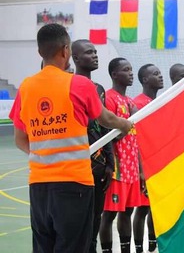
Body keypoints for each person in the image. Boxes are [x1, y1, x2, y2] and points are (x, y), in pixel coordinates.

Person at [9, 23, 133, 253]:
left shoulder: (25, 88)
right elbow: (105, 118)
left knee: (44, 246)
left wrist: (42, 153)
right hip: (74, 183)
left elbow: (19, 139)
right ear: (66, 50)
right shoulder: (79, 84)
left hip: (39, 186)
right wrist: (125, 124)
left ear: (40, 52)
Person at [72, 39, 114, 253]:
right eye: (89, 53)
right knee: (81, 219)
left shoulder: (98, 89)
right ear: (75, 58)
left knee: (96, 216)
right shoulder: (69, 86)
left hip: (99, 165)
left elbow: (104, 126)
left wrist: (110, 162)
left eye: (96, 52)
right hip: (80, 164)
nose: (95, 55)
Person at [99, 57, 141, 253]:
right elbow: (107, 137)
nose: (131, 73)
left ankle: (126, 249)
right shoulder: (109, 98)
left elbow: (136, 140)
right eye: (126, 69)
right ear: (115, 74)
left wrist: (140, 169)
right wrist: (130, 118)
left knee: (128, 211)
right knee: (109, 214)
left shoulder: (130, 102)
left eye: (131, 69)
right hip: (117, 167)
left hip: (131, 168)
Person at [133, 64, 164, 253]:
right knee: (143, 208)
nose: (160, 76)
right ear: (145, 80)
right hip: (145, 164)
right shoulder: (138, 104)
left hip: (159, 162)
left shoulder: (160, 102)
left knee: (156, 207)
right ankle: (138, 248)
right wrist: (141, 169)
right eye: (155, 74)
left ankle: (153, 245)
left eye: (160, 73)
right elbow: (135, 139)